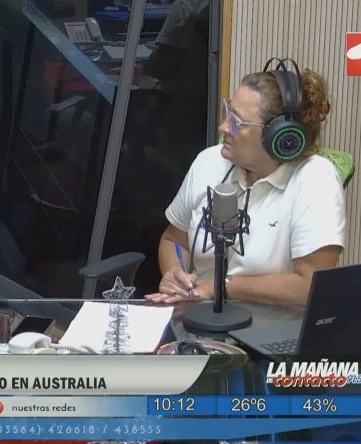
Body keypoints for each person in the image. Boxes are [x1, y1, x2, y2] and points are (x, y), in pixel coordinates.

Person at [145, 59, 344, 308]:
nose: (223, 127)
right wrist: (175, 275)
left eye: (237, 122)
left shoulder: (316, 179)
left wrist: (221, 286)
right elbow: (174, 239)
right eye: (227, 113)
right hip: (199, 316)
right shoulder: (209, 162)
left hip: (274, 325)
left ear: (279, 136)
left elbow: (310, 285)